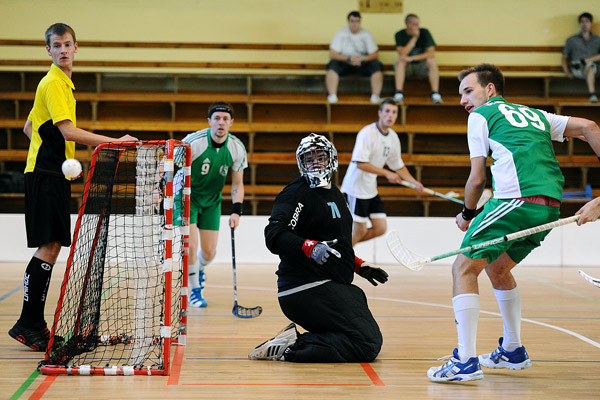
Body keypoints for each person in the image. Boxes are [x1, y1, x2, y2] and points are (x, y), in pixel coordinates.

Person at [427, 63, 600, 382]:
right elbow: (590, 126)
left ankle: (465, 361)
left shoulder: (481, 116)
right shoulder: (535, 114)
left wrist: (467, 214)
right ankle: (512, 350)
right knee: (498, 269)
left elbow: (476, 178)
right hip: (549, 206)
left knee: (463, 268)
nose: (463, 101)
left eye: (468, 91)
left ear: (489, 89)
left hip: (514, 201)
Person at [9, 23, 138, 351]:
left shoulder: (60, 83)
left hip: (50, 172)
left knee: (51, 246)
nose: (63, 50)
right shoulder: (54, 83)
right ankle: (29, 325)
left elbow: (29, 126)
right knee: (48, 247)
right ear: (48, 50)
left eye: (67, 44)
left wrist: (60, 159)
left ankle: (31, 324)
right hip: (44, 174)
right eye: (57, 45)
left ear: (76, 47)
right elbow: (67, 131)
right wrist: (115, 142)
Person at [249, 133, 389, 362]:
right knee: (367, 344)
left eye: (320, 157)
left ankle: (293, 340)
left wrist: (359, 266)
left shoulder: (335, 193)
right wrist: (310, 247)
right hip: (304, 288)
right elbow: (274, 235)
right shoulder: (295, 194)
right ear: (300, 163)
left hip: (330, 283)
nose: (315, 163)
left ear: (331, 159)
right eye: (308, 159)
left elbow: (334, 242)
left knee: (363, 331)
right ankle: (291, 347)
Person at [173, 101, 247, 308]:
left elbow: (237, 184)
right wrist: (159, 189)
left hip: (212, 200)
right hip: (186, 197)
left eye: (225, 119)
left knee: (209, 252)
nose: (221, 123)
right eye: (217, 118)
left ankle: (197, 269)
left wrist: (236, 211)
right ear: (209, 121)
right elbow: (168, 165)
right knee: (191, 246)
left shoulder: (237, 147)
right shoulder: (193, 142)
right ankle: (195, 291)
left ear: (231, 122)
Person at [341, 98, 424, 246]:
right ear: (379, 113)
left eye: (394, 112)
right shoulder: (367, 133)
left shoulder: (393, 137)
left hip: (370, 189)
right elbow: (360, 163)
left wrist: (414, 182)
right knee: (359, 230)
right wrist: (386, 173)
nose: (390, 115)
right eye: (387, 111)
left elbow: (398, 166)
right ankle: (342, 253)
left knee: (380, 228)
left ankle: (341, 247)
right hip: (356, 189)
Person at [326, 11, 384, 104]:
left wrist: (362, 59)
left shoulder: (366, 34)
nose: (355, 24)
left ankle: (375, 96)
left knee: (376, 65)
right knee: (332, 65)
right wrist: (349, 58)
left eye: (357, 21)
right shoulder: (341, 33)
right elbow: (332, 54)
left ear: (360, 22)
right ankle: (332, 96)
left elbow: (375, 54)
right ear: (348, 22)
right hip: (345, 63)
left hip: (362, 64)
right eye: (352, 21)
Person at [393, 14, 443, 104]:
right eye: (415, 24)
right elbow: (402, 54)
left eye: (418, 24)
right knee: (401, 61)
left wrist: (411, 58)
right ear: (408, 25)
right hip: (407, 68)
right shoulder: (399, 34)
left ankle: (435, 94)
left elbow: (431, 53)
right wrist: (414, 38)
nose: (418, 27)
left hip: (422, 67)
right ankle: (399, 94)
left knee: (431, 60)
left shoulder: (424, 32)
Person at [562, 12, 600, 104]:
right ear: (579, 24)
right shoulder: (572, 40)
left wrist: (586, 61)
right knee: (590, 66)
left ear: (591, 23)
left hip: (595, 68)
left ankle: (585, 61)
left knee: (591, 65)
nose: (584, 24)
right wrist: (567, 72)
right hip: (577, 67)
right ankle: (592, 94)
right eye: (582, 22)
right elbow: (564, 57)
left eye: (587, 21)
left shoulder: (598, 40)